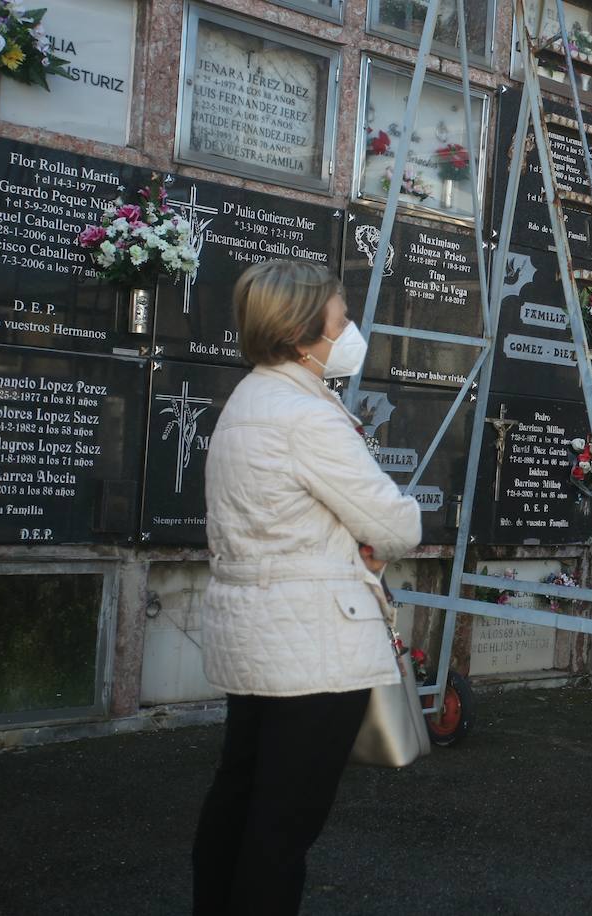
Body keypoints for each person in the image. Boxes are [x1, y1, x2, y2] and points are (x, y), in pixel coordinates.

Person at [192, 260, 422, 915]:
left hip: (258, 636)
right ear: (301, 332)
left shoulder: (251, 399)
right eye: (339, 318)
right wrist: (379, 531)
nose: (348, 327)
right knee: (281, 830)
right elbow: (395, 523)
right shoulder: (304, 414)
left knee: (238, 805)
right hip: (313, 649)